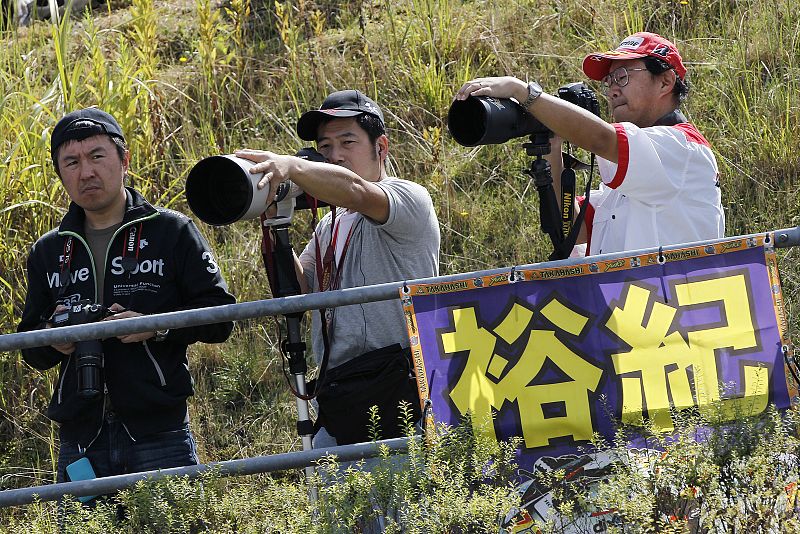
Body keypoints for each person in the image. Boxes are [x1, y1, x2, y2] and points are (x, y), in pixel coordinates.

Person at [17, 108, 236, 486]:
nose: (86, 172)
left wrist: (155, 327)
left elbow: (220, 317)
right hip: (80, 435)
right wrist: (56, 337)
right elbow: (30, 349)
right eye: (71, 162)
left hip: (158, 429)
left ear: (124, 160)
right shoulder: (48, 250)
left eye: (97, 156)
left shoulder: (172, 231)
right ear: (60, 175)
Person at [236, 90, 440, 447]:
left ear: (382, 147)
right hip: (344, 396)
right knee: (335, 498)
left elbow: (358, 193)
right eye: (325, 146)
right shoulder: (329, 226)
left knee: (406, 501)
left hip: (403, 393)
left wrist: (294, 167)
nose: (335, 156)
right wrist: (275, 223)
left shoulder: (408, 198)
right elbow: (298, 296)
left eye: (348, 142)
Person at [455, 32, 724, 256]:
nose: (612, 90)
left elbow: (601, 138)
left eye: (622, 77)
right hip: (636, 315)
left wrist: (524, 93)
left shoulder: (683, 148)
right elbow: (573, 227)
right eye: (609, 81)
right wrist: (552, 139)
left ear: (665, 81)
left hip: (674, 316)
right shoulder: (633, 173)